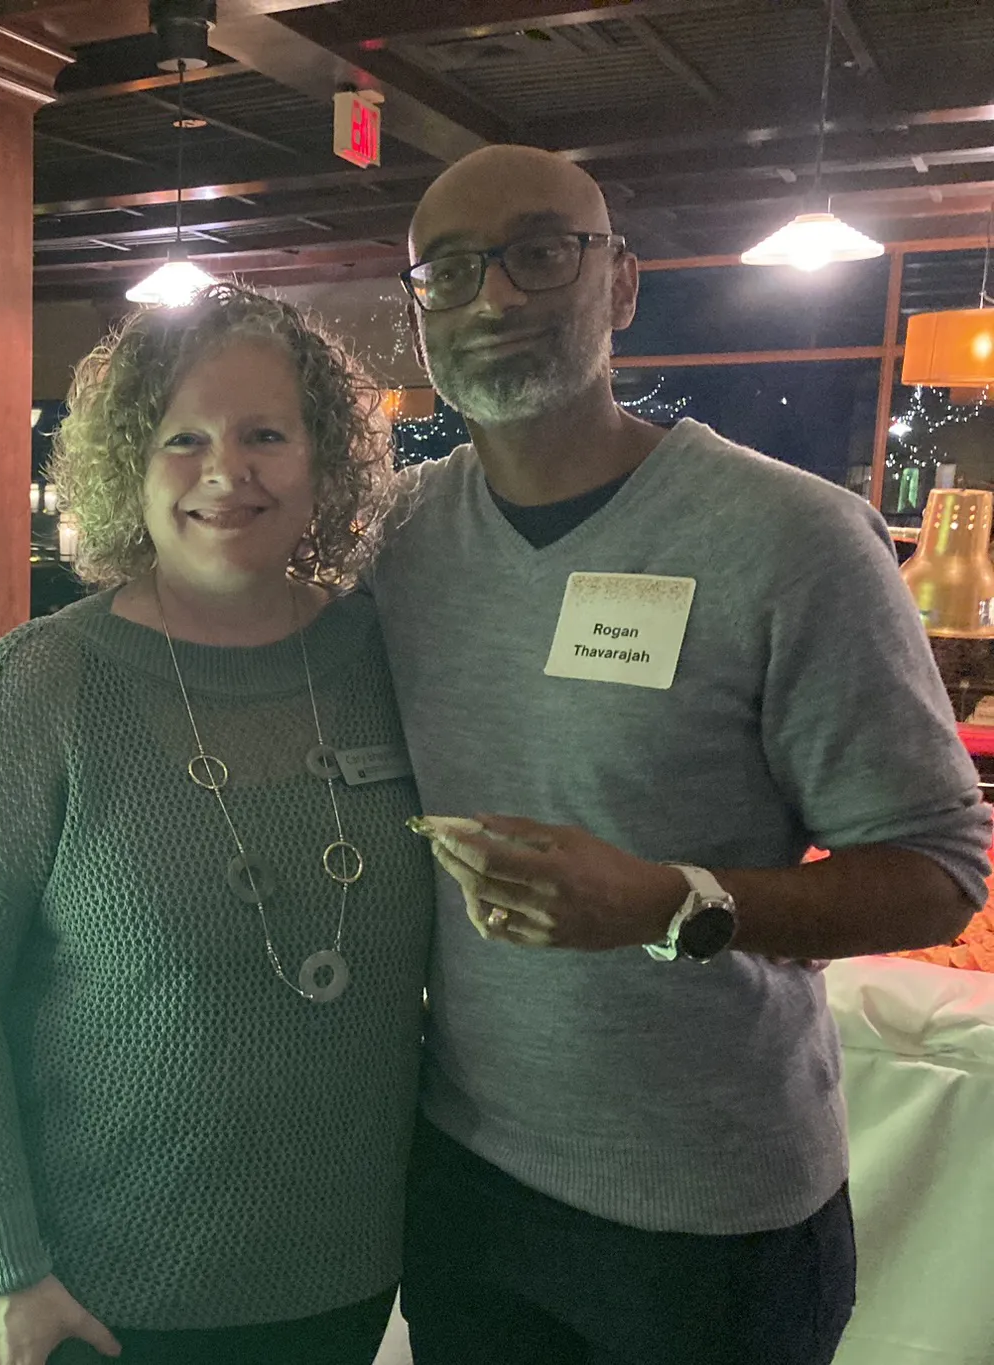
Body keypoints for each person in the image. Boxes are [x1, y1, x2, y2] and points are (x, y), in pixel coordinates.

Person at [371, 144, 992, 1365]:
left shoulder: (792, 539)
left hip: (713, 1222)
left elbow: (937, 866)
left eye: (539, 253)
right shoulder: (398, 543)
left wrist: (673, 903)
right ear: (420, 312)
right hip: (465, 1183)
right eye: (447, 271)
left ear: (619, 286)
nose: (493, 297)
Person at [0, 286, 435, 1365]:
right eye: (179, 439)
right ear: (126, 473)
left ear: (324, 460)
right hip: (94, 1294)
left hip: (334, 1277)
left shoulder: (390, 664)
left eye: (264, 434)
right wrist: (2, 1269)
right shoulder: (41, 684)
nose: (224, 471)